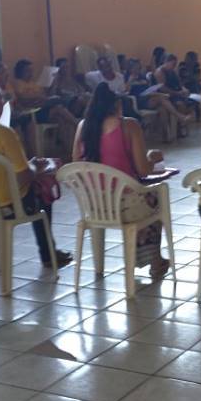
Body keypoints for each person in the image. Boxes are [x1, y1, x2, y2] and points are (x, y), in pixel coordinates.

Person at [0, 81, 73, 270]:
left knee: (36, 185)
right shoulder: (2, 133)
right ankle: (48, 253)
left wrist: (29, 166)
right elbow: (23, 176)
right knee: (43, 192)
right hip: (10, 206)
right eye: (2, 100)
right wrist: (38, 168)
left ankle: (48, 253)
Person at [72, 83, 171, 278]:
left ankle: (103, 265)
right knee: (155, 197)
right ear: (117, 105)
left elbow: (76, 165)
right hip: (124, 205)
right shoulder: (128, 125)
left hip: (94, 206)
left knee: (147, 195)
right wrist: (152, 158)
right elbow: (143, 170)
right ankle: (154, 260)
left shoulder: (83, 126)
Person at [12, 59, 77, 156]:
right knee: (58, 108)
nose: (30, 73)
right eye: (27, 71)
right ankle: (78, 124)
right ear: (20, 72)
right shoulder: (17, 83)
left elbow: (44, 96)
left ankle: (69, 151)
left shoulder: (34, 83)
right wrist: (38, 99)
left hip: (42, 108)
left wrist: (53, 84)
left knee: (61, 119)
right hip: (31, 113)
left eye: (31, 70)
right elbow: (23, 99)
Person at [155, 53, 196, 123]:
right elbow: (162, 88)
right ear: (166, 62)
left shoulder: (173, 71)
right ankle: (180, 122)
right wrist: (177, 93)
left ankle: (182, 126)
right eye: (173, 64)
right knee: (180, 104)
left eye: (175, 64)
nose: (174, 66)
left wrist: (184, 89)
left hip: (175, 94)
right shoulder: (160, 72)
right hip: (166, 95)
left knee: (191, 102)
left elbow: (179, 83)